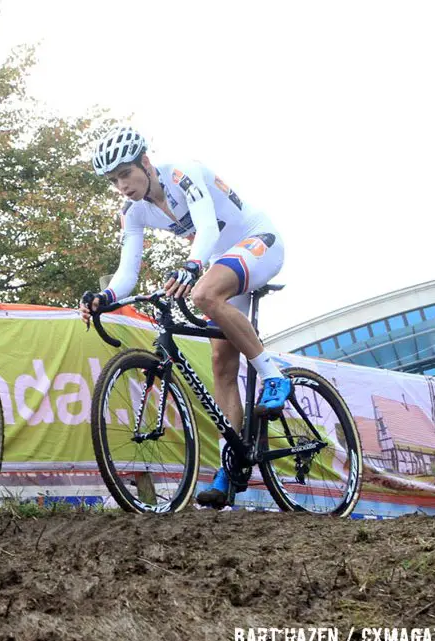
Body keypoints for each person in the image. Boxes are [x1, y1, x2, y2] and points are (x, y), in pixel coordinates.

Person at [80, 125, 287, 508]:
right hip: (220, 261)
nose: (122, 186)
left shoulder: (181, 173)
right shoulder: (133, 212)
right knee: (222, 368)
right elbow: (128, 272)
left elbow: (207, 226)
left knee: (205, 293)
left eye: (125, 174)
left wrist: (191, 267)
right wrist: (104, 297)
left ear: (145, 162)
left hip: (258, 241)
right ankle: (233, 465)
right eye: (114, 180)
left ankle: (274, 377)